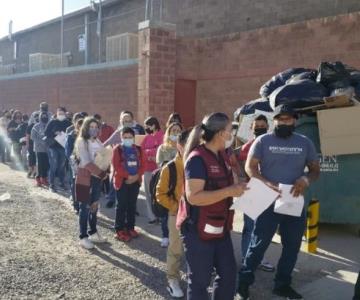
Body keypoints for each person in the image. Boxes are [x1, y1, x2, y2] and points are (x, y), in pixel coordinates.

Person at [237, 105, 320, 300]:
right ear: (274, 121)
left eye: (288, 119)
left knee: (291, 247)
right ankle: (243, 283)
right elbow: (250, 167)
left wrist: (306, 179)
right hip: (267, 201)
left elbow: (315, 169)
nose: (283, 122)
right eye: (280, 119)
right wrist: (267, 183)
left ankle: (282, 285)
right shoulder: (263, 141)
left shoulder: (305, 142)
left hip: (293, 201)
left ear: (294, 121)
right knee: (257, 245)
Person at [182, 112, 248, 300]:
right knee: (200, 281)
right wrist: (229, 191)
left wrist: (242, 187)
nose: (231, 135)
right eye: (230, 130)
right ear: (220, 133)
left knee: (228, 275)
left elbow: (230, 183)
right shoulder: (197, 159)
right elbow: (194, 197)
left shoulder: (222, 155)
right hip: (198, 230)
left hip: (221, 228)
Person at [238, 114, 275, 273]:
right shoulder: (248, 147)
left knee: (263, 228)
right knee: (250, 227)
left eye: (262, 125)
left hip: (269, 191)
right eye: (257, 126)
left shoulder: (272, 144)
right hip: (253, 191)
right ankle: (248, 257)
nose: (260, 128)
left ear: (268, 126)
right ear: (251, 128)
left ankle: (257, 256)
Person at [156, 129, 190, 298]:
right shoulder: (170, 168)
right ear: (180, 146)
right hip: (176, 214)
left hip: (196, 215)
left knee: (196, 249)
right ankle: (172, 279)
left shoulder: (198, 164)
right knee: (175, 249)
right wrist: (177, 207)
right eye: (187, 144)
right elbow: (160, 194)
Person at [74, 116, 107, 250]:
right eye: (91, 127)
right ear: (86, 128)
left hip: (97, 178)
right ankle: (83, 237)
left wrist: (106, 167)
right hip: (85, 177)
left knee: (94, 205)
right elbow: (86, 162)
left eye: (96, 127)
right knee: (84, 208)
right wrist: (102, 173)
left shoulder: (98, 141)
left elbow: (103, 155)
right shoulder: (82, 141)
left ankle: (93, 232)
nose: (94, 129)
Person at [112, 127, 146, 242]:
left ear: (133, 138)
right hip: (122, 182)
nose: (127, 139)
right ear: (121, 138)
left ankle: (130, 227)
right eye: (125, 137)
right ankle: (119, 229)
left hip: (135, 182)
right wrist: (128, 176)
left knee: (132, 205)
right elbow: (116, 166)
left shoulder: (139, 149)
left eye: (130, 137)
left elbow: (143, 165)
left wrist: (136, 176)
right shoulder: (117, 150)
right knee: (122, 206)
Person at [156, 122, 183, 247]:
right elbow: (159, 163)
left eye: (178, 131)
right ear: (169, 132)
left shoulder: (183, 147)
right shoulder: (163, 148)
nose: (176, 133)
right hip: (167, 181)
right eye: (173, 131)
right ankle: (165, 235)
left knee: (179, 210)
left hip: (180, 183)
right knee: (166, 211)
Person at [141, 116, 164, 224]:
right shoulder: (147, 137)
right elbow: (141, 151)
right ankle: (152, 216)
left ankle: (160, 215)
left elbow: (161, 150)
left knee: (158, 193)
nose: (146, 128)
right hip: (147, 169)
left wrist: (149, 153)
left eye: (147, 126)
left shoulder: (162, 136)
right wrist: (151, 154)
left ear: (154, 125)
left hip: (159, 169)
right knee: (148, 193)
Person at [44, 107, 72, 192]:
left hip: (63, 147)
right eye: (59, 113)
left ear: (65, 114)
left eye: (62, 113)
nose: (60, 115)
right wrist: (54, 133)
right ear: (56, 114)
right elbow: (46, 133)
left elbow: (72, 133)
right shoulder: (52, 122)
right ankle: (51, 184)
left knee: (62, 166)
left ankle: (62, 183)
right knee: (53, 165)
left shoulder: (68, 123)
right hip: (53, 147)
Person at [65, 118, 84, 213]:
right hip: (75, 163)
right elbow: (68, 151)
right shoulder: (71, 136)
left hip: (86, 164)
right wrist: (73, 161)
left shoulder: (88, 136)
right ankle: (76, 205)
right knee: (75, 183)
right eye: (79, 125)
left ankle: (83, 204)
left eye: (83, 125)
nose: (81, 127)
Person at [31, 111, 50, 187]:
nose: (44, 117)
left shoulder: (49, 125)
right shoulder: (36, 126)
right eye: (43, 116)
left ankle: (44, 178)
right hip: (39, 148)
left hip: (47, 149)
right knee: (40, 164)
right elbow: (32, 137)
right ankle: (38, 178)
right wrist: (41, 141)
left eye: (45, 116)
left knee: (46, 164)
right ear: (40, 117)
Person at [26, 112, 39, 178]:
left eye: (38, 116)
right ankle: (30, 170)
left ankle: (35, 171)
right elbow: (27, 136)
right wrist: (27, 144)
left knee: (37, 158)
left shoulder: (41, 125)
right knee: (31, 157)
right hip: (31, 144)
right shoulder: (30, 126)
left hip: (38, 144)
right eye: (35, 116)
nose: (36, 117)